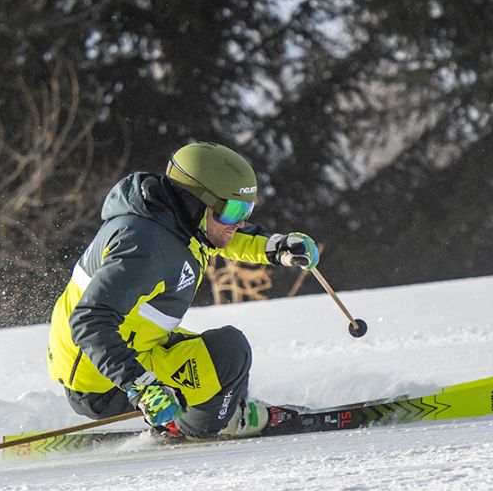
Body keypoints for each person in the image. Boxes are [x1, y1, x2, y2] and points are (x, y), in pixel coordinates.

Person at [46, 142, 319, 439]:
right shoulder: (145, 246)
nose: (240, 222)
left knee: (223, 363)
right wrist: (142, 386)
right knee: (230, 353)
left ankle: (219, 410)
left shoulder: (175, 219)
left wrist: (276, 247)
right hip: (101, 380)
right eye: (233, 210)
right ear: (196, 201)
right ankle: (208, 424)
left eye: (247, 209)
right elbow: (89, 320)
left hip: (132, 348)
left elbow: (221, 236)